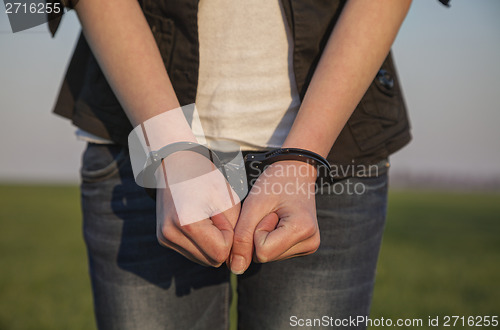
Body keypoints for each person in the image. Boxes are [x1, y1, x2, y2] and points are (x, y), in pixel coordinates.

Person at [47, 0, 444, 329]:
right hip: (138, 145)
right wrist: (171, 146)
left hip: (330, 159)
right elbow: (30, 8)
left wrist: (303, 158)